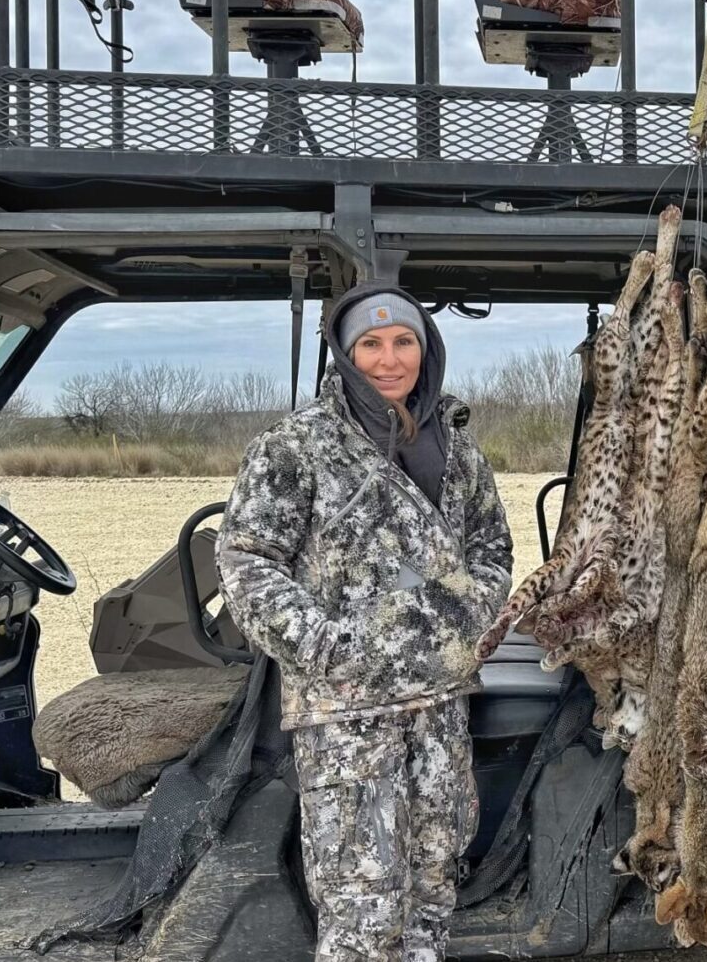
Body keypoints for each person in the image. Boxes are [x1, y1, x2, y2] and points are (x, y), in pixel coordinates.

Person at [216, 283, 513, 961]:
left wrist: (465, 617)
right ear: (347, 356)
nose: (389, 359)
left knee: (434, 884)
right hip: (350, 717)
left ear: (424, 348)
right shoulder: (297, 447)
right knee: (362, 902)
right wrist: (330, 647)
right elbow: (249, 563)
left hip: (441, 705)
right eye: (370, 345)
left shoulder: (456, 447)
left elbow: (493, 550)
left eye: (403, 341)